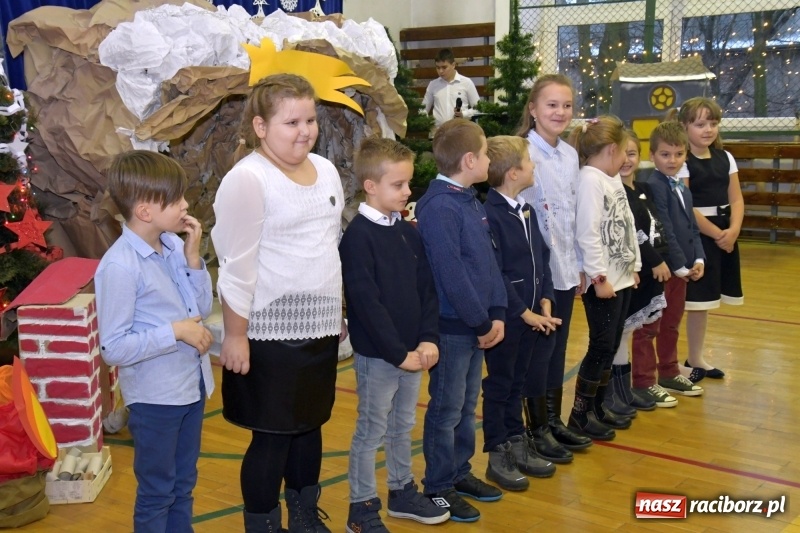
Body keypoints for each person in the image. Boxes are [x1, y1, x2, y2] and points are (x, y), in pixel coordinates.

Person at [211, 74, 345, 533]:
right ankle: (263, 525)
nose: (305, 130)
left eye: (310, 119)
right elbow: (236, 265)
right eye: (291, 122)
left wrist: (337, 311)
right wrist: (234, 335)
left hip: (320, 328)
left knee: (310, 428)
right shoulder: (247, 179)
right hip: (268, 334)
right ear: (261, 127)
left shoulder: (326, 170)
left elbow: (330, 244)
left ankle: (304, 515)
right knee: (272, 438)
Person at [96, 150, 214, 532]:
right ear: (145, 211)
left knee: (183, 483)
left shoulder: (174, 246)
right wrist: (175, 332)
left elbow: (200, 308)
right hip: (155, 397)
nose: (185, 205)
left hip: (189, 387)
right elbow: (113, 347)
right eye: (176, 199)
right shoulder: (119, 266)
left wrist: (194, 261)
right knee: (158, 491)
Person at [340, 138, 450, 533]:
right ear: (371, 186)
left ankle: (401, 490)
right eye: (399, 185)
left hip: (412, 353)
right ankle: (361, 506)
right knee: (371, 429)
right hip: (380, 357)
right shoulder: (357, 239)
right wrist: (396, 352)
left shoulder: (407, 231)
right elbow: (366, 305)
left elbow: (426, 290)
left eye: (407, 185)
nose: (407, 192)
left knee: (402, 426)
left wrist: (428, 339)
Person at [415, 118, 506, 523]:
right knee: (447, 408)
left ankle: (459, 473)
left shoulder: (469, 198)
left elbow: (489, 262)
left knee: (467, 406)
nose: (489, 160)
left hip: (477, 324)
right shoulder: (438, 207)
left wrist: (497, 311)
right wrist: (480, 320)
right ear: (470, 160)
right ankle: (438, 485)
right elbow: (451, 274)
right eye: (486, 153)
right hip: (454, 327)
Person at [517, 74, 593, 454]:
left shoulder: (569, 154)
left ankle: (553, 421)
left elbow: (573, 213)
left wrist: (579, 263)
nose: (560, 112)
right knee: (538, 353)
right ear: (533, 109)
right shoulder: (523, 154)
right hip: (536, 273)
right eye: (551, 105)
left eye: (566, 105)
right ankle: (535, 430)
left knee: (558, 349)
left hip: (565, 268)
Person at [481, 135, 559, 491]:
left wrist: (544, 298)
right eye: (529, 160)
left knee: (518, 382)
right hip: (509, 320)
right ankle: (498, 452)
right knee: (500, 385)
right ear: (513, 173)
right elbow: (495, 273)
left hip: (531, 316)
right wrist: (523, 313)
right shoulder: (491, 214)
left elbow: (540, 258)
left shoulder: (525, 209)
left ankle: (516, 441)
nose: (534, 165)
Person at [567, 115, 641, 441]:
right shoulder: (590, 180)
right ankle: (579, 415)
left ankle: (597, 407)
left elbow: (625, 226)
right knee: (600, 345)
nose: (627, 159)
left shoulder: (611, 179)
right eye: (625, 151)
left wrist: (634, 265)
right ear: (612, 149)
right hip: (604, 282)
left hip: (621, 276)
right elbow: (587, 234)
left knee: (610, 344)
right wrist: (599, 278)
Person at [631, 122, 705, 407]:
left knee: (672, 323)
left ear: (685, 154)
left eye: (678, 154)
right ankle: (644, 380)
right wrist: (678, 265)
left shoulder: (683, 189)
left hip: (682, 270)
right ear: (652, 155)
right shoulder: (652, 186)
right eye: (665, 154)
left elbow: (691, 227)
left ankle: (669, 372)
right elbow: (664, 230)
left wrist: (697, 258)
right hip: (662, 269)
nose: (672, 160)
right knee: (649, 326)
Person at [672, 97, 744, 380]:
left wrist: (733, 231)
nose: (708, 129)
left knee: (704, 303)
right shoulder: (681, 160)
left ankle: (696, 356)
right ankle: (668, 361)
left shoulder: (725, 157)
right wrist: (716, 234)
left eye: (713, 123)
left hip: (725, 233)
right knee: (686, 300)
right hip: (698, 237)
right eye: (700, 124)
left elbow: (736, 198)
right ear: (684, 126)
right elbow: (686, 207)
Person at [604, 131, 669, 416]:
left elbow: (652, 227)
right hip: (630, 271)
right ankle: (613, 393)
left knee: (627, 332)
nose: (627, 160)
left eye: (632, 153)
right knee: (620, 333)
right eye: (622, 153)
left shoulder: (642, 189)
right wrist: (652, 262)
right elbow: (635, 236)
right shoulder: (615, 192)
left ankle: (623, 389)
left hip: (641, 274)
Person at [423, 48, 480, 131]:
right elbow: (423, 108)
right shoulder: (433, 85)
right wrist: (425, 122)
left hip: (461, 131)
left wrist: (463, 114)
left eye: (444, 67)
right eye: (438, 68)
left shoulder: (467, 83)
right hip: (439, 132)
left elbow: (478, 109)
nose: (440, 71)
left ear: (453, 65)